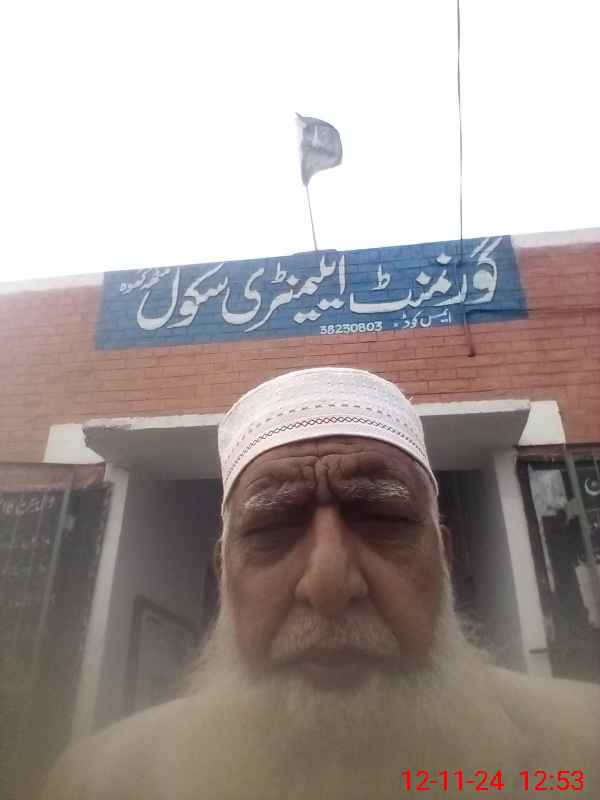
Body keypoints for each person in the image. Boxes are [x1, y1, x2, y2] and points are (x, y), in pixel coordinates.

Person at [43, 368, 599, 799]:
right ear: (224, 575)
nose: (329, 587)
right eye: (271, 527)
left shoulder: (582, 750)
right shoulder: (102, 782)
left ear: (445, 561)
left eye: (383, 518)